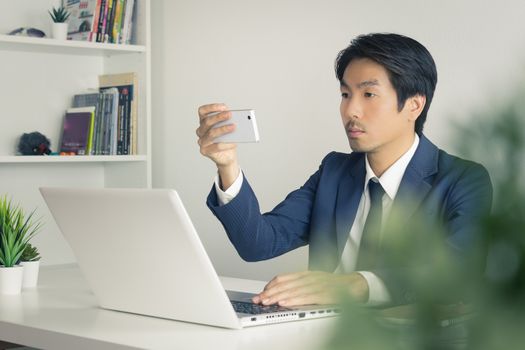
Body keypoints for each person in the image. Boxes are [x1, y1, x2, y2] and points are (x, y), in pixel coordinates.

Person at [195, 33, 492, 308]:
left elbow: (458, 275)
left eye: (369, 95)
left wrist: (353, 285)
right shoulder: (334, 171)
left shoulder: (462, 180)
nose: (351, 111)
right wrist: (228, 165)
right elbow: (257, 243)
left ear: (414, 105)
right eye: (345, 94)